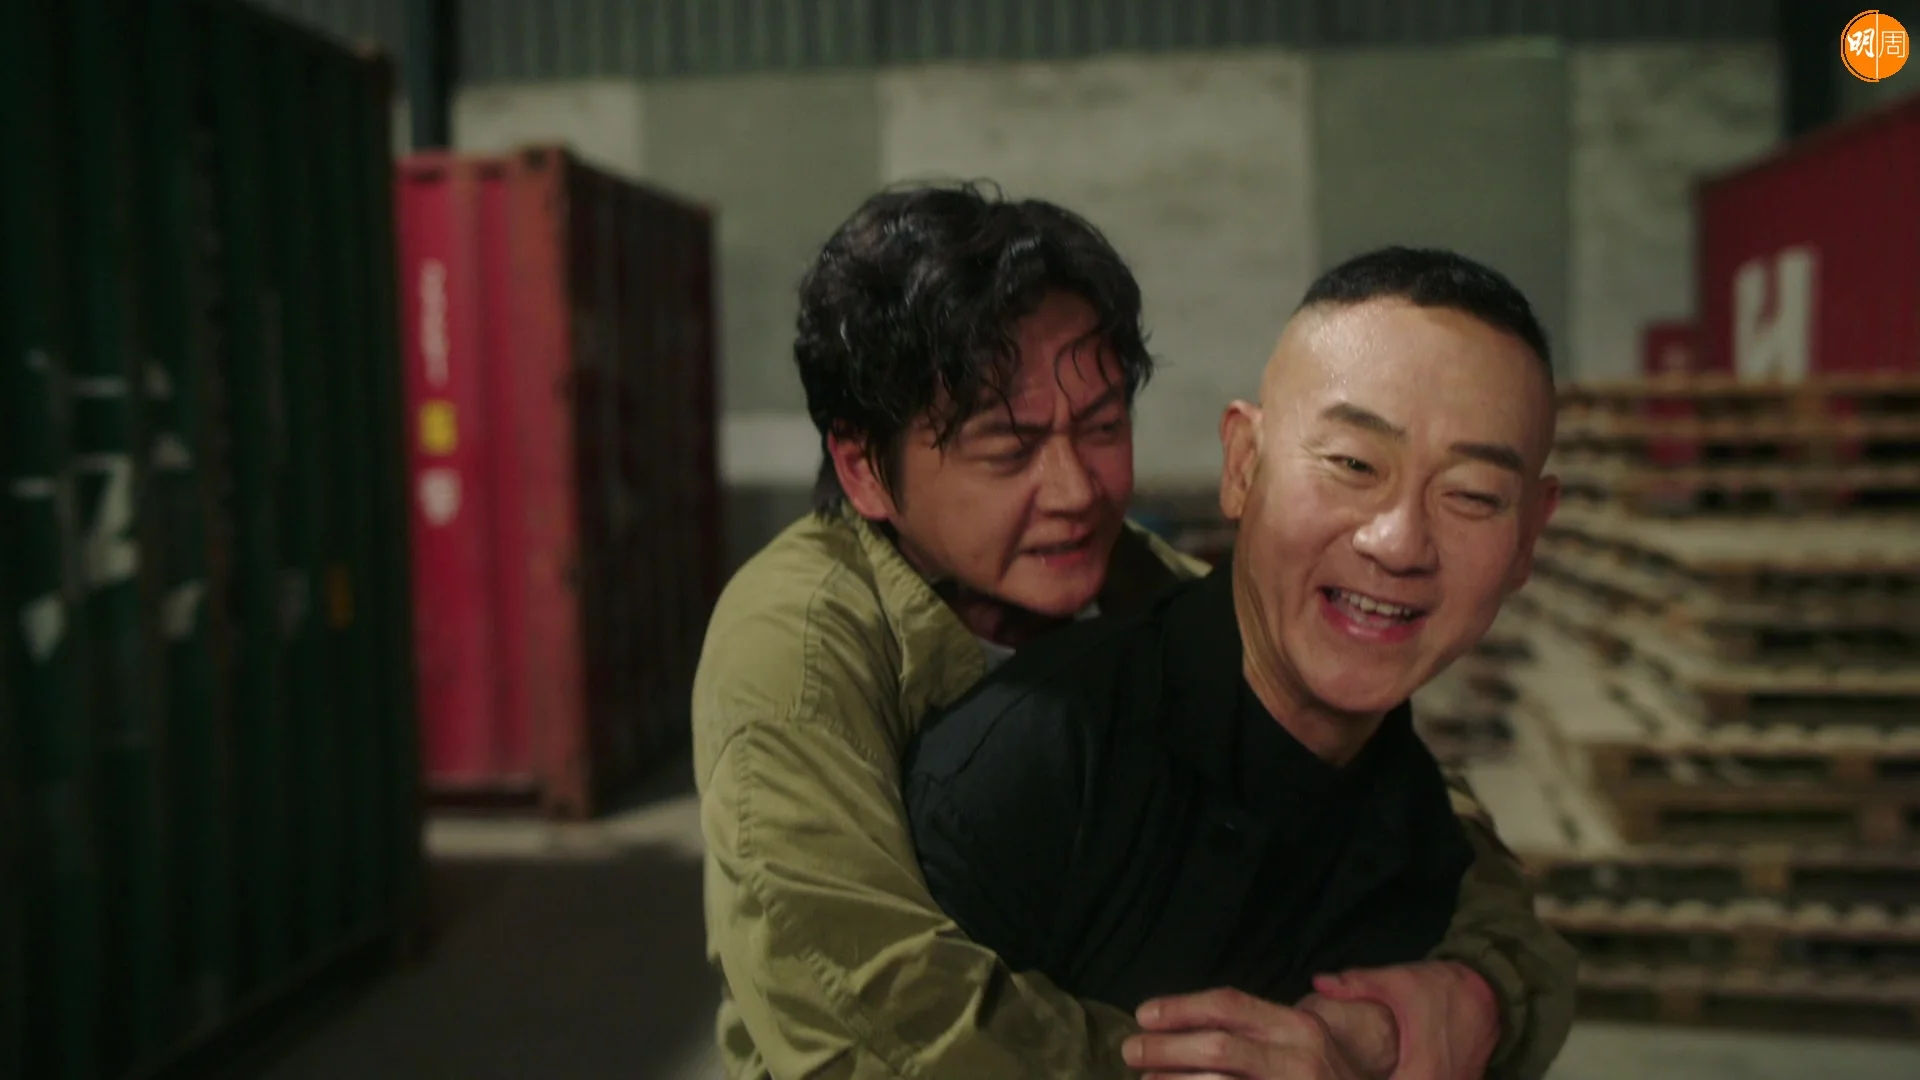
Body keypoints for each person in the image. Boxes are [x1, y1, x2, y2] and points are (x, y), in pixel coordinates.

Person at [690, 183, 1578, 1080]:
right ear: (863, 469)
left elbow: (1407, 790)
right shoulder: (799, 646)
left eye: (1103, 426)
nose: (1076, 489)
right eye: (1009, 449)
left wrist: (1479, 988)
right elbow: (859, 1004)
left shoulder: (1148, 584)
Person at [903, 246, 1569, 1080]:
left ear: (1527, 538)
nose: (1398, 542)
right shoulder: (1024, 772)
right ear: (1244, 465)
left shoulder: (1427, 841)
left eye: (1470, 495)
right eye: (1354, 465)